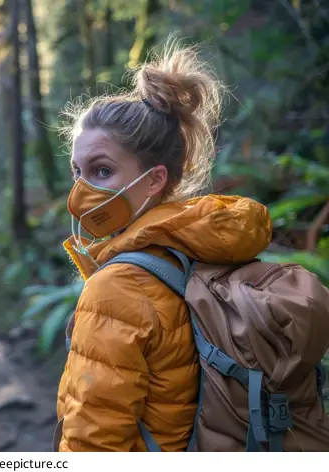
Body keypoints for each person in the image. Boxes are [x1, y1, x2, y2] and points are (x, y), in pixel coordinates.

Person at [54, 39, 273, 452]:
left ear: (154, 180)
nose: (81, 191)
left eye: (102, 170)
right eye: (78, 171)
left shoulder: (118, 287)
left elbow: (94, 443)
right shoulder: (207, 248)